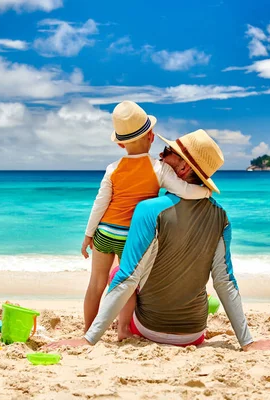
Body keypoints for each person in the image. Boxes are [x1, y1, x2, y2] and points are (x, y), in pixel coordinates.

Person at [50, 129, 270, 351]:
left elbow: (128, 278)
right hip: (194, 333)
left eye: (167, 151)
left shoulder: (149, 210)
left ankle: (117, 328)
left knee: (117, 272)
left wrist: (88, 340)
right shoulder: (221, 216)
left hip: (148, 329)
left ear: (182, 167)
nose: (160, 154)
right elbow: (225, 281)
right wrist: (247, 342)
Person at [81, 101, 212, 333]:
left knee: (96, 283)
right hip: (131, 237)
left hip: (105, 232)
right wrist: (205, 191)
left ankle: (89, 329)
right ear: (151, 136)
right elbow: (183, 190)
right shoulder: (158, 168)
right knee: (127, 284)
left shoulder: (113, 168)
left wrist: (88, 234)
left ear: (120, 143)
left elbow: (100, 203)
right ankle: (123, 329)